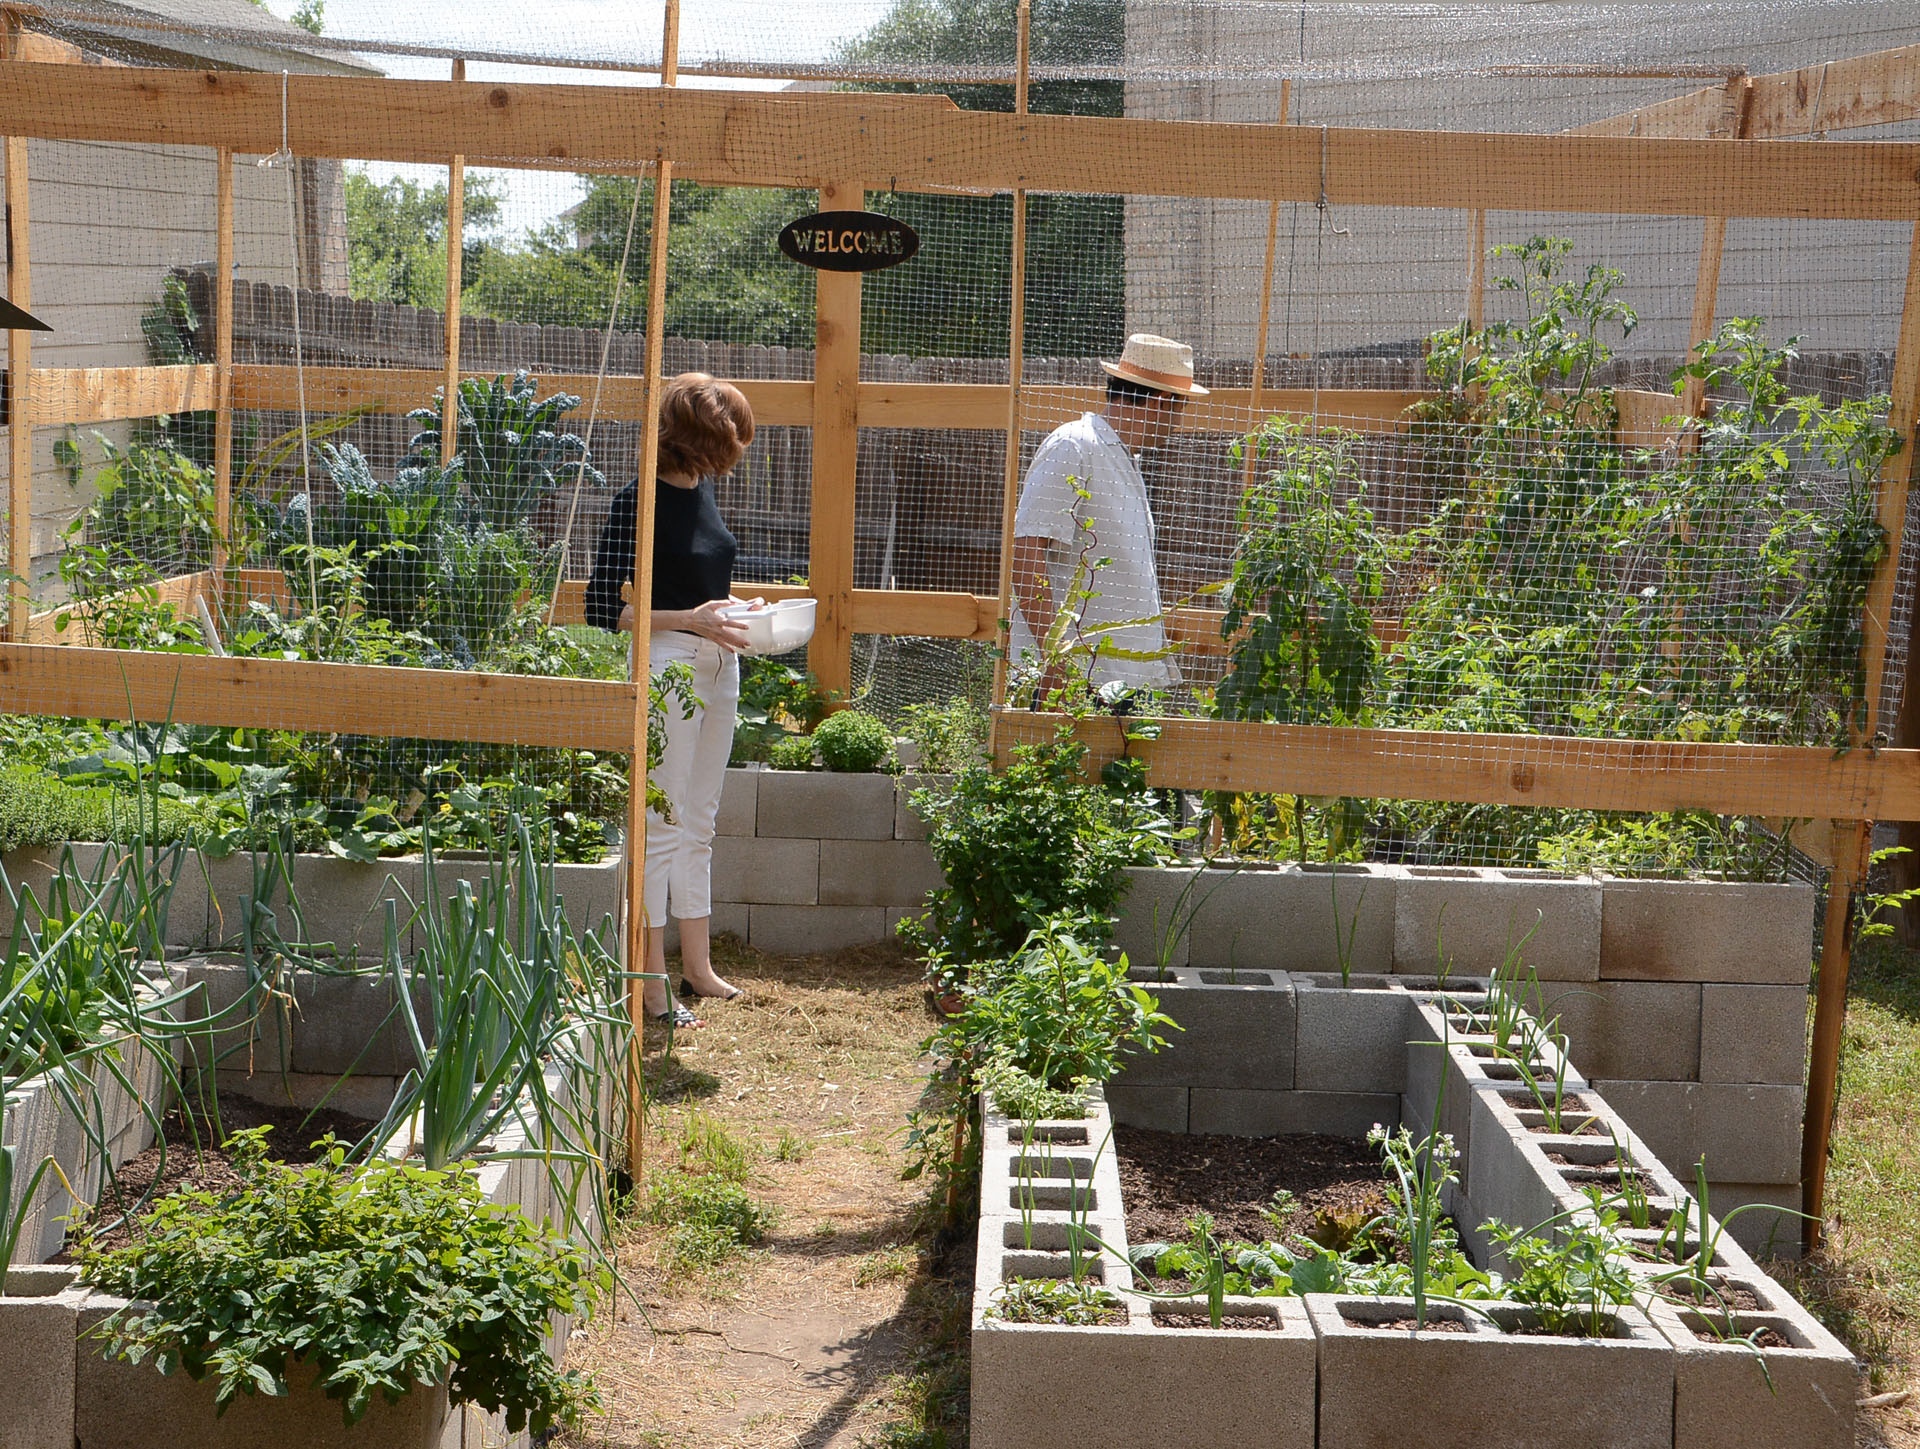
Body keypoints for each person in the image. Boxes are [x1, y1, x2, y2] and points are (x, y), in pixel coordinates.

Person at [586, 372, 759, 1029]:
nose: (736, 452)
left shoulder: (703, 491)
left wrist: (735, 614)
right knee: (661, 823)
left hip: (721, 664)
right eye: (728, 439)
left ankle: (699, 966)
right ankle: (649, 985)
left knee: (701, 819)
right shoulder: (639, 500)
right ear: (696, 440)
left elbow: (704, 583)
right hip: (671, 668)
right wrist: (692, 618)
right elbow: (607, 608)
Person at [1006, 332, 1207, 704]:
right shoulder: (1074, 446)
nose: (1179, 420)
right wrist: (1057, 667)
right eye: (1180, 407)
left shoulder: (1121, 457)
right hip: (1074, 684)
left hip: (1115, 682)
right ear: (1161, 402)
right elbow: (1025, 556)